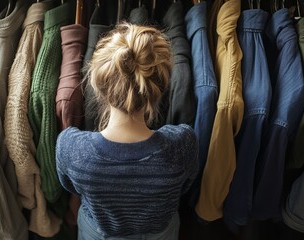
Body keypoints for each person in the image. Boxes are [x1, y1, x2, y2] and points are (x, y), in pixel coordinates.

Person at [56, 22, 199, 240]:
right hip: (160, 232)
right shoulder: (183, 144)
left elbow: (72, 187)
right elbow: (185, 186)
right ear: (159, 88)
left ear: (97, 85)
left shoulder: (71, 148)